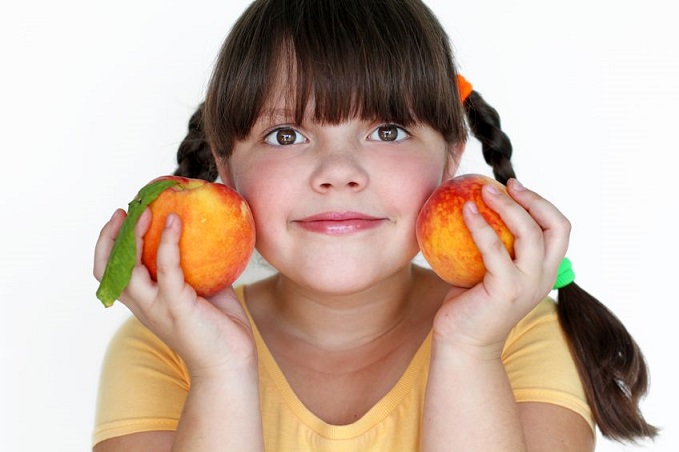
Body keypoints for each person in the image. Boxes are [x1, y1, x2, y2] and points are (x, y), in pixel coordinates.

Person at [92, 0, 657, 450]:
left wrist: (467, 349)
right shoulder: (165, 346)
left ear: (451, 158)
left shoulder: (520, 333)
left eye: (387, 131)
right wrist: (220, 371)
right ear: (226, 167)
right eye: (286, 135)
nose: (338, 173)